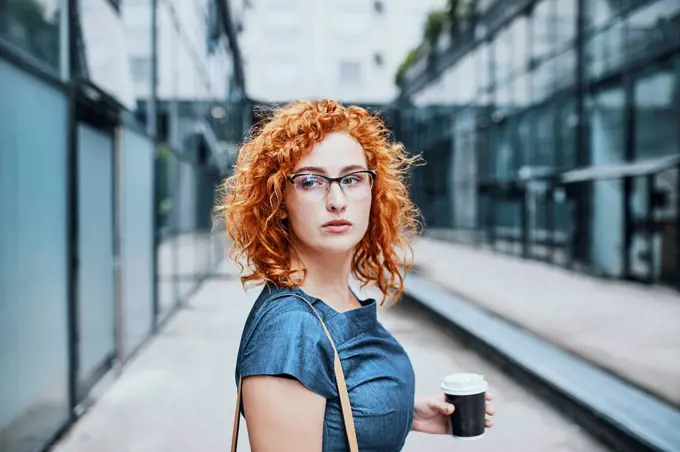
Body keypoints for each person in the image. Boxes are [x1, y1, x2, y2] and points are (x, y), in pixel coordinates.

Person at [219, 100, 494, 451]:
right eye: (310, 181)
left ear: (373, 192)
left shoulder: (335, 298)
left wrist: (401, 414)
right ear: (279, 201)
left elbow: (332, 408)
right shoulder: (290, 331)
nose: (336, 200)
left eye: (352, 179)